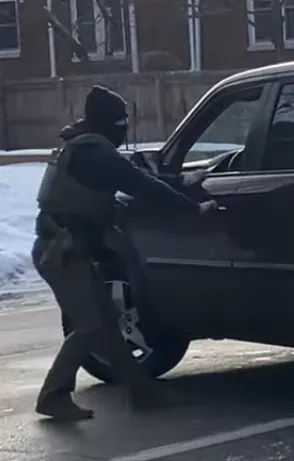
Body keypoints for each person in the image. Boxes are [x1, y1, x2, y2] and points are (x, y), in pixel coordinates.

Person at [33, 85, 218, 421]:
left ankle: (141, 392)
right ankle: (54, 394)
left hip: (67, 249)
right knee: (91, 326)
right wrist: (192, 209)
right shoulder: (94, 154)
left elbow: (140, 178)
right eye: (121, 123)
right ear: (108, 123)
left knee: (105, 321)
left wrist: (181, 182)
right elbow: (142, 184)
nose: (125, 129)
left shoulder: (83, 145)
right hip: (61, 253)